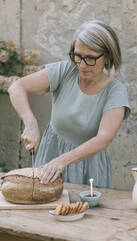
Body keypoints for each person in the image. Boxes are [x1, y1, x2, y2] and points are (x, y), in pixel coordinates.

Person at [8, 20, 130, 188]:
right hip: (49, 157)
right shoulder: (65, 71)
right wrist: (30, 123)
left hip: (89, 168)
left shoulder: (115, 91)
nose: (82, 65)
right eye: (78, 56)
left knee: (84, 212)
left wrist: (62, 161)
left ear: (108, 56)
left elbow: (104, 138)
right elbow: (17, 87)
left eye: (90, 58)